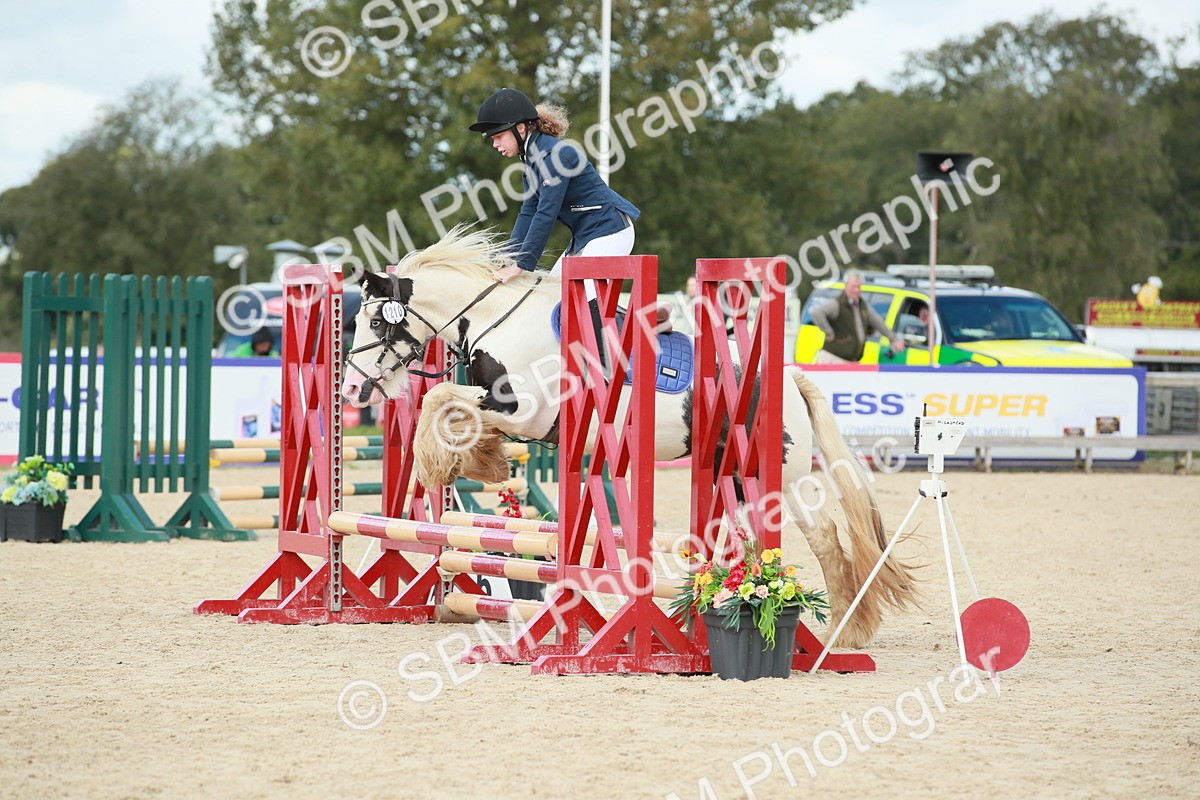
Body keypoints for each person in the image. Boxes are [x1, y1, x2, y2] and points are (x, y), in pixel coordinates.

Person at [470, 88, 641, 283]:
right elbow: (528, 212)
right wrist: (508, 256)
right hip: (585, 236)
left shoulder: (554, 156)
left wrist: (520, 265)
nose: (495, 144)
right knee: (554, 293)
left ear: (520, 128)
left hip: (610, 230)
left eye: (499, 136)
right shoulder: (533, 158)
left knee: (589, 290)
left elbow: (546, 213)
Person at [810, 269, 907, 364]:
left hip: (850, 360)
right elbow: (816, 313)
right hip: (833, 358)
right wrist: (829, 332)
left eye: (859, 287)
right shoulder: (837, 304)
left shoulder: (862, 305)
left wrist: (893, 339)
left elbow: (877, 321)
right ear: (845, 286)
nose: (856, 290)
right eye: (853, 287)